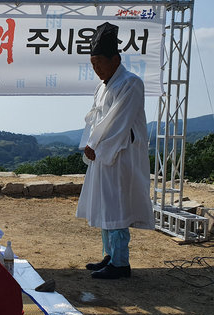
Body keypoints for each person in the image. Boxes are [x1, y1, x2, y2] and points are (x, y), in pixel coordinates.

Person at [76, 22, 155, 280]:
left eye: (99, 62)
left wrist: (97, 146)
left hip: (120, 155)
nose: (96, 68)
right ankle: (109, 255)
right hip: (102, 153)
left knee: (117, 205)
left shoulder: (131, 83)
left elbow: (118, 121)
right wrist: (90, 143)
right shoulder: (102, 86)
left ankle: (121, 263)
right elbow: (95, 119)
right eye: (93, 63)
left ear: (116, 59)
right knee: (105, 205)